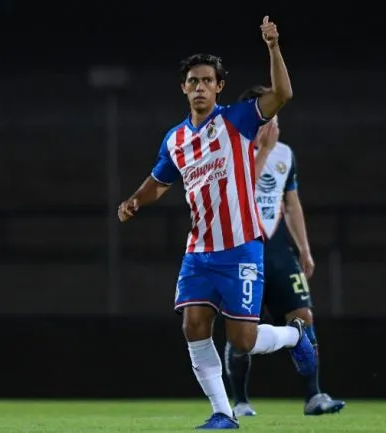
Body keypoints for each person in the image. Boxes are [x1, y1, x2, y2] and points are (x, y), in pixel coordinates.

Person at [118, 16, 316, 430]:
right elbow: (159, 182)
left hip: (242, 245)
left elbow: (283, 93)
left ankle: (296, 335)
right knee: (193, 325)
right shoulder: (175, 140)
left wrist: (273, 46)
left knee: (243, 340)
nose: (200, 87)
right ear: (183, 88)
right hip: (199, 250)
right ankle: (223, 413)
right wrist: (135, 200)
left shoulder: (238, 120)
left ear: (219, 86)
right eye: (193, 81)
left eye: (207, 80)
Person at [224, 86, 346, 417]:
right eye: (267, 117)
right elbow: (239, 192)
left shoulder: (285, 154)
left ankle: (314, 396)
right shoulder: (231, 150)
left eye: (276, 117)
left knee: (303, 316)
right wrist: (263, 150)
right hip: (242, 250)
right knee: (242, 329)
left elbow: (291, 203)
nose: (273, 125)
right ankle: (240, 402)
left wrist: (304, 249)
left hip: (277, 250)